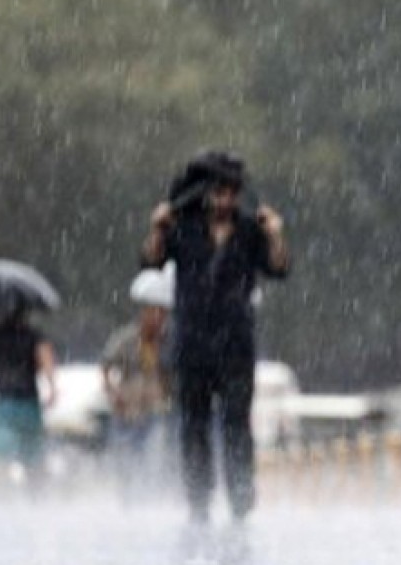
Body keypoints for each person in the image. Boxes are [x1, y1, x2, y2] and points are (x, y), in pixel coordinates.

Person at [142, 150, 290, 523]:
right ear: (206, 193)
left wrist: (275, 235)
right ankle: (198, 501)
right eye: (219, 192)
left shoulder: (250, 230)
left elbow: (279, 267)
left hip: (236, 342)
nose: (226, 200)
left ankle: (241, 499)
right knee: (193, 424)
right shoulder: (181, 228)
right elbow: (149, 261)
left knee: (237, 423)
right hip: (192, 341)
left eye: (231, 193)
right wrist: (157, 229)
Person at [101, 266, 174, 503]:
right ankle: (129, 502)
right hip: (126, 412)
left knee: (154, 460)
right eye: (153, 312)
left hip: (154, 411)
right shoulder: (127, 339)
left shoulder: (168, 343)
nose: (157, 318)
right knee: (125, 464)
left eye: (162, 313)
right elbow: (105, 366)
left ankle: (151, 500)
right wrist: (112, 393)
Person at [0, 303, 58, 493]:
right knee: (33, 457)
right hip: (28, 400)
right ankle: (36, 499)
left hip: (3, 402)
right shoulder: (33, 335)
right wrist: (52, 387)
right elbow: (45, 357)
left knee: (1, 457)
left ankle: (2, 498)